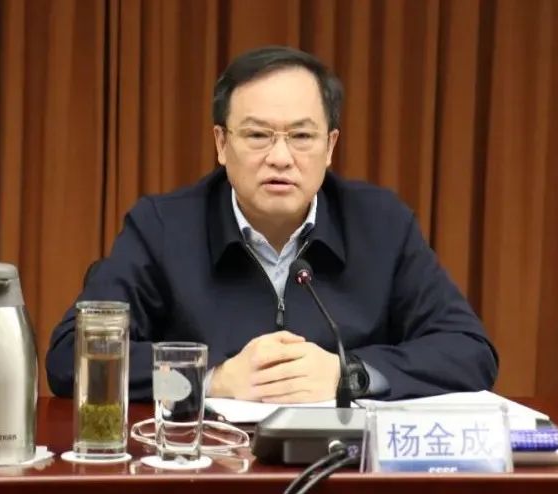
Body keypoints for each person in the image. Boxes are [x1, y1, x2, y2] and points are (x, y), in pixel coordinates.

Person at [46, 46, 498, 403]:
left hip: (342, 466)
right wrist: (209, 379)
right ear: (222, 143)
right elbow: (72, 360)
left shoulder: (381, 225)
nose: (280, 158)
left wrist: (349, 373)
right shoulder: (162, 227)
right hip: (209, 468)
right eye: (258, 135)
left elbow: (470, 352)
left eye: (301, 136)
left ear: (330, 146)